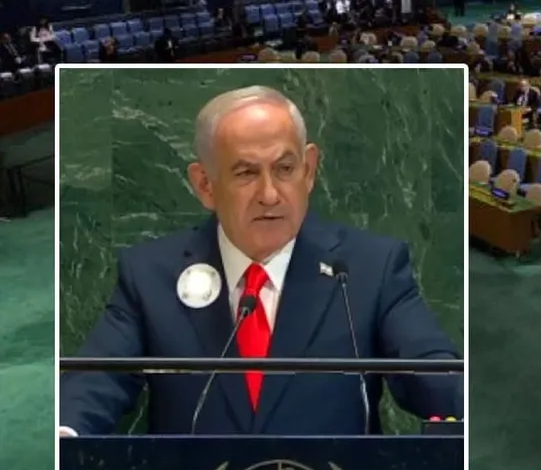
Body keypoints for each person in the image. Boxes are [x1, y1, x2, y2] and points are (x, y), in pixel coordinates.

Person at [59, 86, 461, 437]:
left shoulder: (372, 266)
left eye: (285, 169)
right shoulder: (150, 274)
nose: (270, 194)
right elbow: (95, 379)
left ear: (309, 170)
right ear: (204, 184)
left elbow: (430, 366)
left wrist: (456, 401)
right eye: (246, 173)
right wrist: (68, 429)